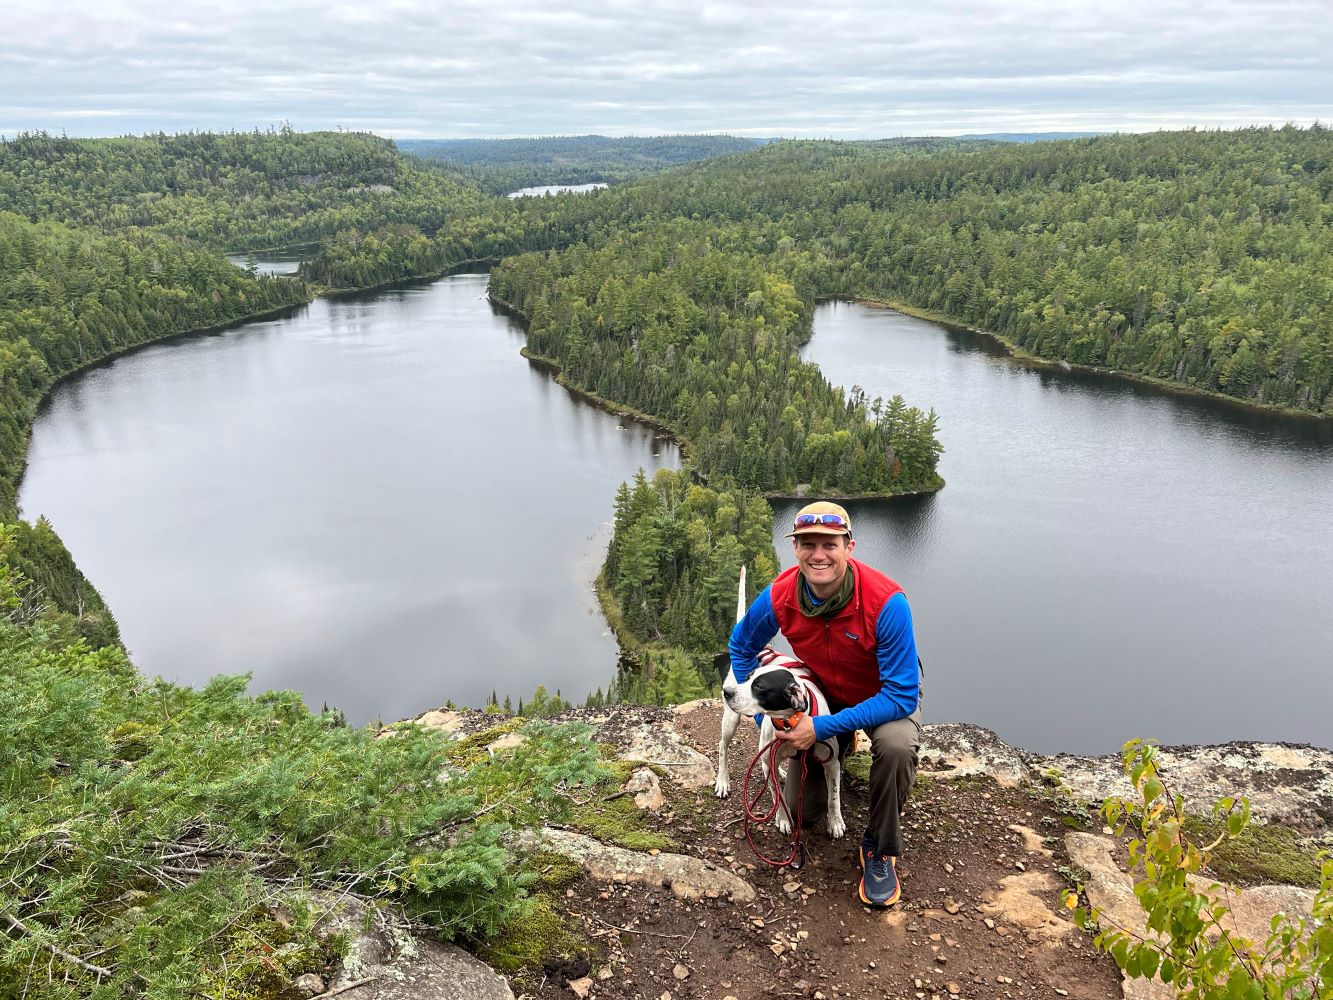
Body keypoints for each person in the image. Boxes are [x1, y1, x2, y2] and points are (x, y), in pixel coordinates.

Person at [729, 500, 922, 908]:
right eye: (807, 543)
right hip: (819, 694)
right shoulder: (782, 594)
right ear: (795, 548)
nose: (819, 555)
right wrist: (763, 712)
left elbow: (902, 694)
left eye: (829, 544)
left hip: (882, 696)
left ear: (849, 546)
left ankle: (878, 847)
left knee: (897, 747)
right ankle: (840, 745)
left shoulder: (886, 602)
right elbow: (742, 644)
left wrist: (822, 728)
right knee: (807, 812)